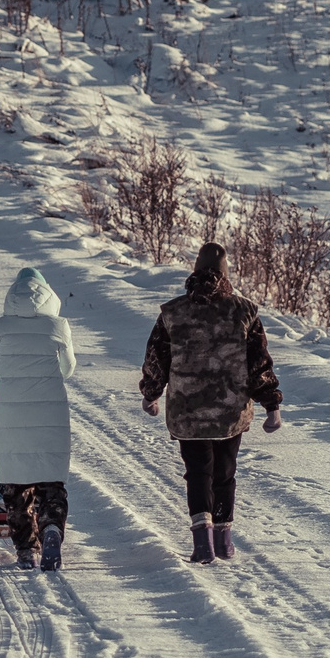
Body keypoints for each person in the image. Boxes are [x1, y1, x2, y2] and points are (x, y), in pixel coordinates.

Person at [138, 241, 281, 564]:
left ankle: (203, 543)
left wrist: (151, 394)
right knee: (225, 473)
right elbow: (259, 364)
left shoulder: (173, 312)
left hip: (187, 412)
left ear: (195, 272)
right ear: (226, 274)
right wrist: (271, 405)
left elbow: (157, 359)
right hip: (230, 412)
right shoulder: (244, 312)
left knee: (198, 472)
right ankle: (224, 540)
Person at [0, 267, 76, 570]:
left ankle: (26, 549)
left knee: (15, 485)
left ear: (12, 294)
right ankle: (51, 529)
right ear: (48, 294)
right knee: (51, 483)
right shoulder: (58, 325)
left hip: (10, 415)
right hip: (51, 414)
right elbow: (67, 370)